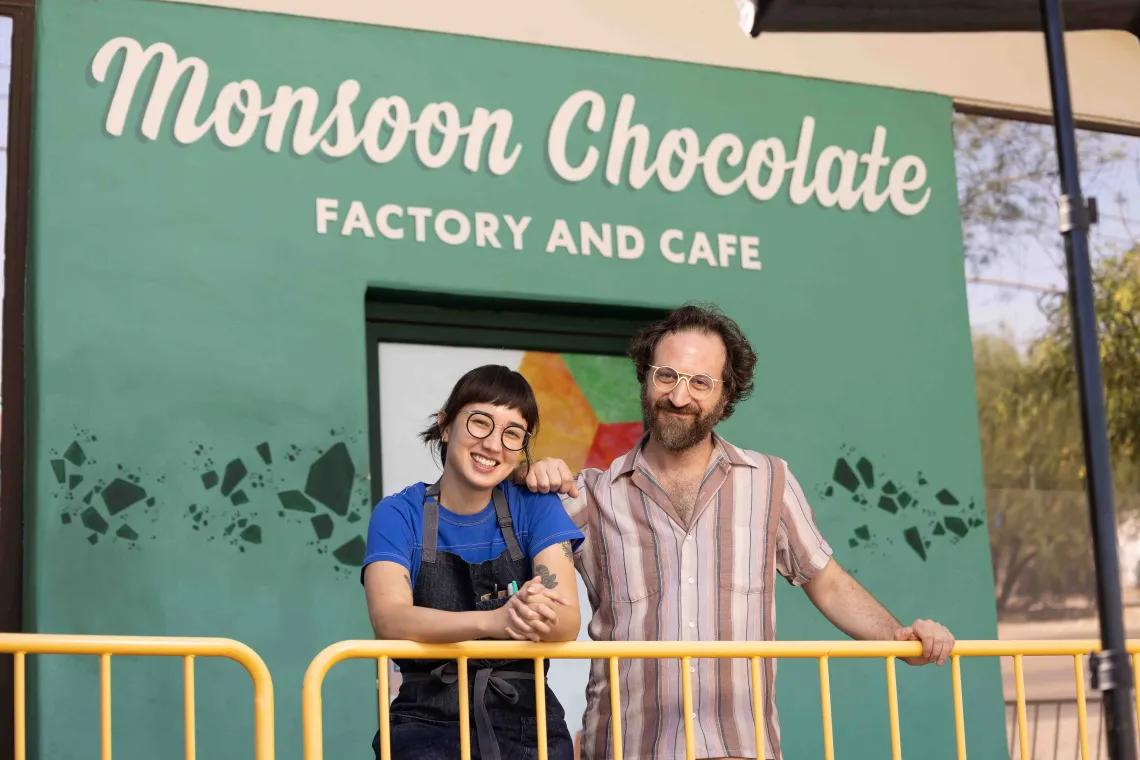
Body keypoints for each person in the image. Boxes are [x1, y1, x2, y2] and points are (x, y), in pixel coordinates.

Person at [512, 304, 955, 760]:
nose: (679, 397)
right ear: (645, 378)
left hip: (741, 749)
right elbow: (500, 554)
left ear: (727, 396)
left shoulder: (770, 482)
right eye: (666, 375)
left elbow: (830, 582)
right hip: (627, 748)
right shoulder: (591, 494)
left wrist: (900, 640)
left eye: (700, 382)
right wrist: (523, 473)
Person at [362, 364, 583, 760]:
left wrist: (537, 613)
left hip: (530, 727)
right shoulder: (398, 513)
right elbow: (390, 618)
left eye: (512, 433)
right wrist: (496, 621)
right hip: (422, 725)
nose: (494, 445)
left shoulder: (535, 507)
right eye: (480, 422)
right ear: (445, 426)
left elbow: (567, 620)